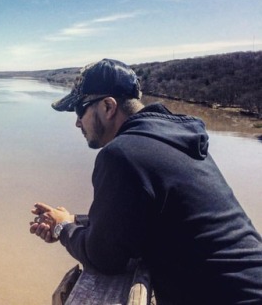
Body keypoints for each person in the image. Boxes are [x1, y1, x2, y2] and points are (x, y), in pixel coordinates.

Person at [30, 59, 262, 304]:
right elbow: (152, 215)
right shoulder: (171, 140)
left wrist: (63, 229)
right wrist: (75, 220)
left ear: (108, 107)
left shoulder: (123, 154)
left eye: (80, 109)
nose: (77, 121)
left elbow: (103, 257)